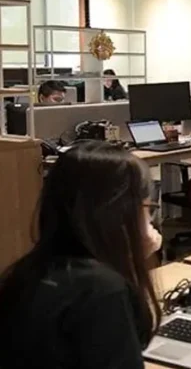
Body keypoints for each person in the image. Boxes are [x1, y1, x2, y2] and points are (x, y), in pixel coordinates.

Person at [0, 142, 163, 369]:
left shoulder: (22, 273)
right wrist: (133, 262)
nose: (151, 219)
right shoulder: (103, 290)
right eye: (148, 208)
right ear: (119, 214)